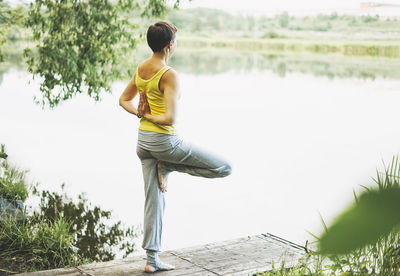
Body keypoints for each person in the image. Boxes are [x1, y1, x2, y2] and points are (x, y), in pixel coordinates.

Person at [119, 21, 232, 273]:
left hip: (143, 143)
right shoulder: (169, 74)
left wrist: (139, 114)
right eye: (176, 41)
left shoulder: (142, 68)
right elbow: (169, 118)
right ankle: (168, 166)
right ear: (170, 45)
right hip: (164, 143)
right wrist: (146, 116)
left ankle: (151, 261)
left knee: (153, 200)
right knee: (225, 167)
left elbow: (123, 100)